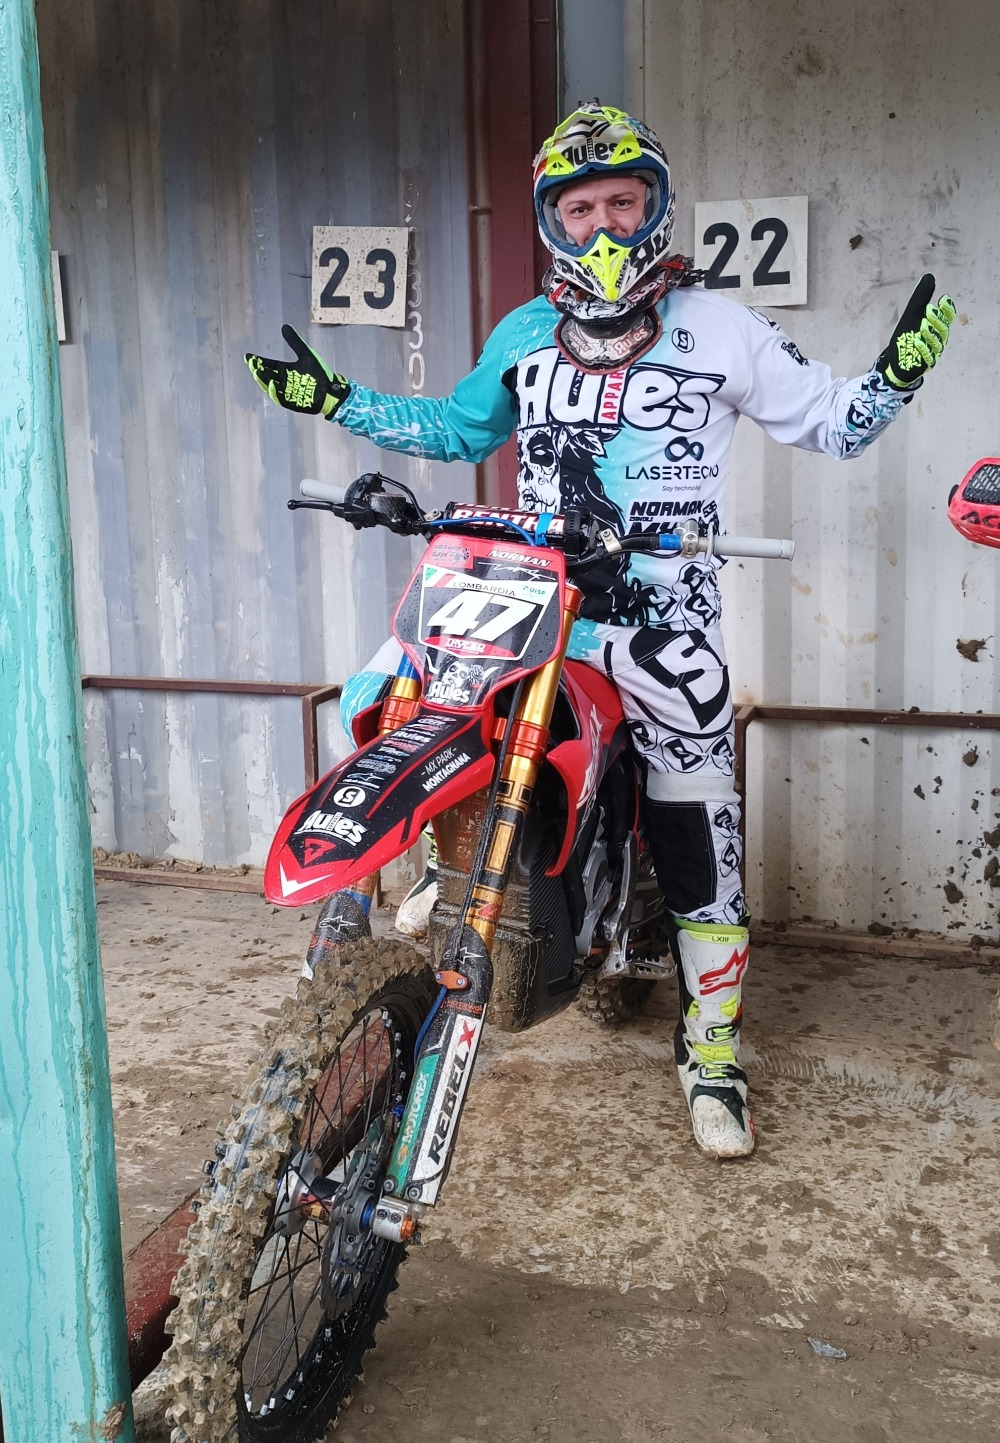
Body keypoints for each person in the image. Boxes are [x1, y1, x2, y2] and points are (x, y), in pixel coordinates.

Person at [246, 103, 956, 1159]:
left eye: (623, 201)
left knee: (698, 815)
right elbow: (459, 429)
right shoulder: (525, 332)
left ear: (656, 206)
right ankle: (385, 895)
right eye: (580, 209)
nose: (605, 227)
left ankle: (711, 1048)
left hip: (663, 615)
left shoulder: (722, 327)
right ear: (553, 220)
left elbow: (830, 421)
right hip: (532, 600)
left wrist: (894, 378)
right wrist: (337, 398)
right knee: (382, 690)